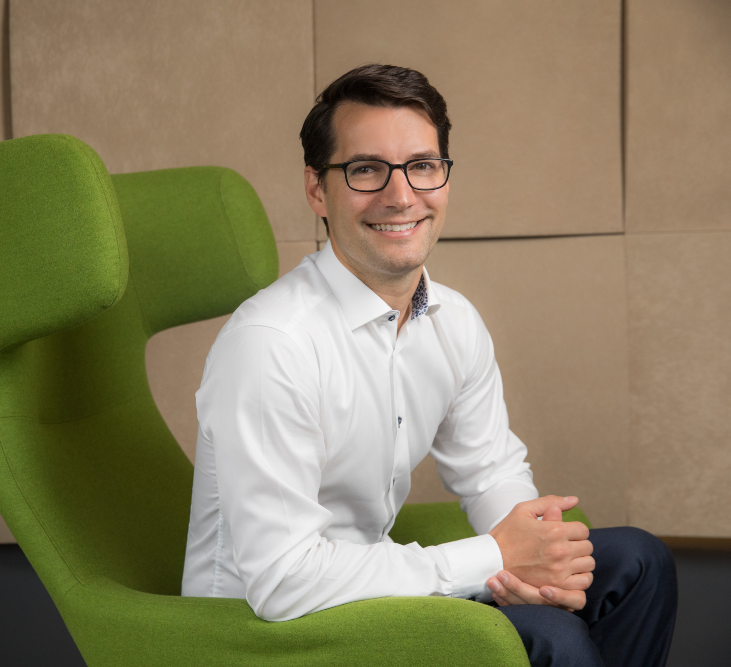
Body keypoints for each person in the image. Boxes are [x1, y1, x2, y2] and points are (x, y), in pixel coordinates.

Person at [182, 63, 676, 666]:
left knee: (638, 562)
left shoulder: (453, 321)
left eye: (422, 166)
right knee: (552, 639)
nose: (401, 195)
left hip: (372, 589)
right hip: (264, 627)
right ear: (317, 189)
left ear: (444, 176)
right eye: (366, 170)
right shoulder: (270, 344)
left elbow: (489, 469)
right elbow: (285, 581)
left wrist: (537, 560)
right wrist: (495, 557)